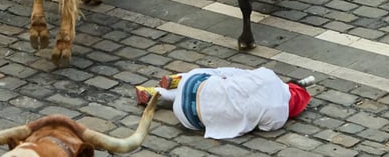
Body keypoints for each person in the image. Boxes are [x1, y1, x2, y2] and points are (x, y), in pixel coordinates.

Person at [133, 68, 312, 138]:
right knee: (222, 103)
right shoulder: (278, 118)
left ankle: (178, 81)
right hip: (188, 117)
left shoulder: (269, 75)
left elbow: (233, 73)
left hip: (193, 84)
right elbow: (259, 128)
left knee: (222, 75)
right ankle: (164, 95)